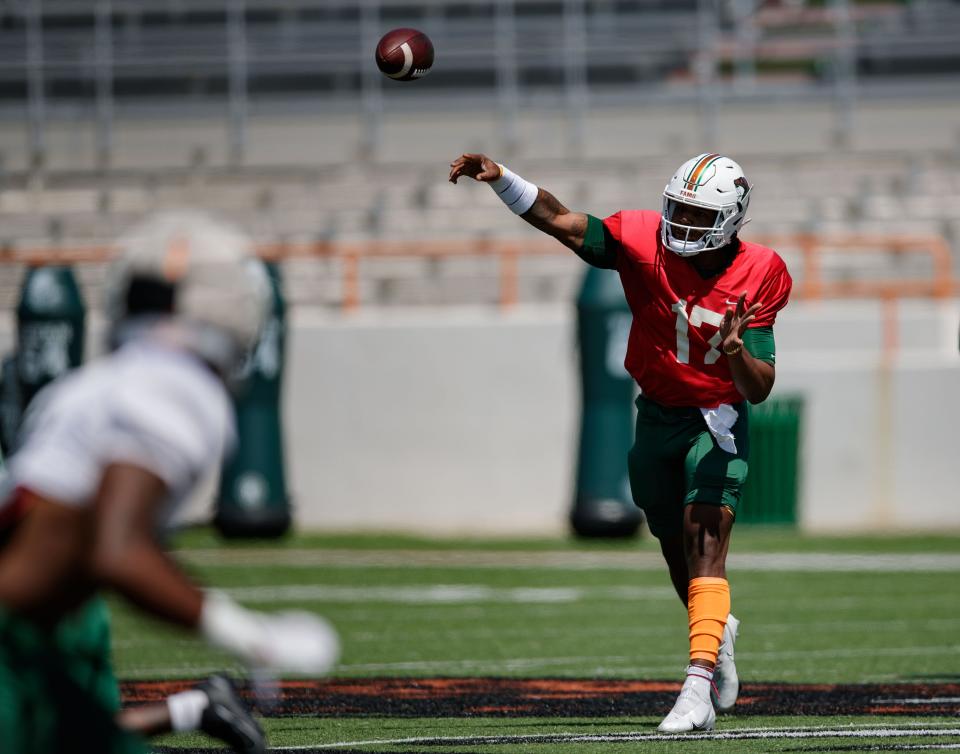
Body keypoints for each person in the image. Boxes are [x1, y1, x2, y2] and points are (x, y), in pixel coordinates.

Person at [449, 152, 792, 733]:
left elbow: (758, 390)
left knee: (703, 534)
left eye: (696, 214)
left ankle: (697, 685)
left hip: (717, 416)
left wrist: (735, 351)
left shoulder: (761, 270)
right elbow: (562, 221)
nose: (680, 223)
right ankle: (716, 628)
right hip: (656, 413)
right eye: (677, 209)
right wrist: (504, 180)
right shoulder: (642, 239)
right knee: (669, 539)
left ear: (731, 220)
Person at [0, 211, 339, 753]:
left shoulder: (90, 386)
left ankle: (195, 708)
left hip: (32, 647)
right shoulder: (175, 385)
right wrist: (251, 635)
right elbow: (118, 548)